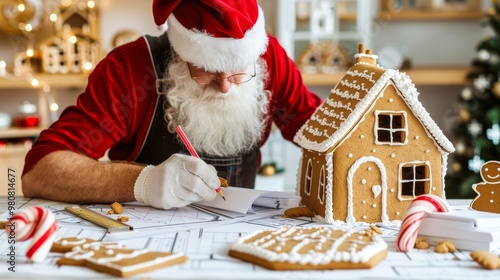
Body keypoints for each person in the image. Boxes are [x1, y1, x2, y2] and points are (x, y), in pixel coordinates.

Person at [21, 0, 322, 210]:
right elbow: (40, 171)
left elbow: (323, 132)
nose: (225, 85)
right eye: (206, 71)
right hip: (143, 241)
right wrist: (143, 182)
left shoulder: (270, 60)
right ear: (180, 53)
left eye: (240, 70)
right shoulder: (130, 70)